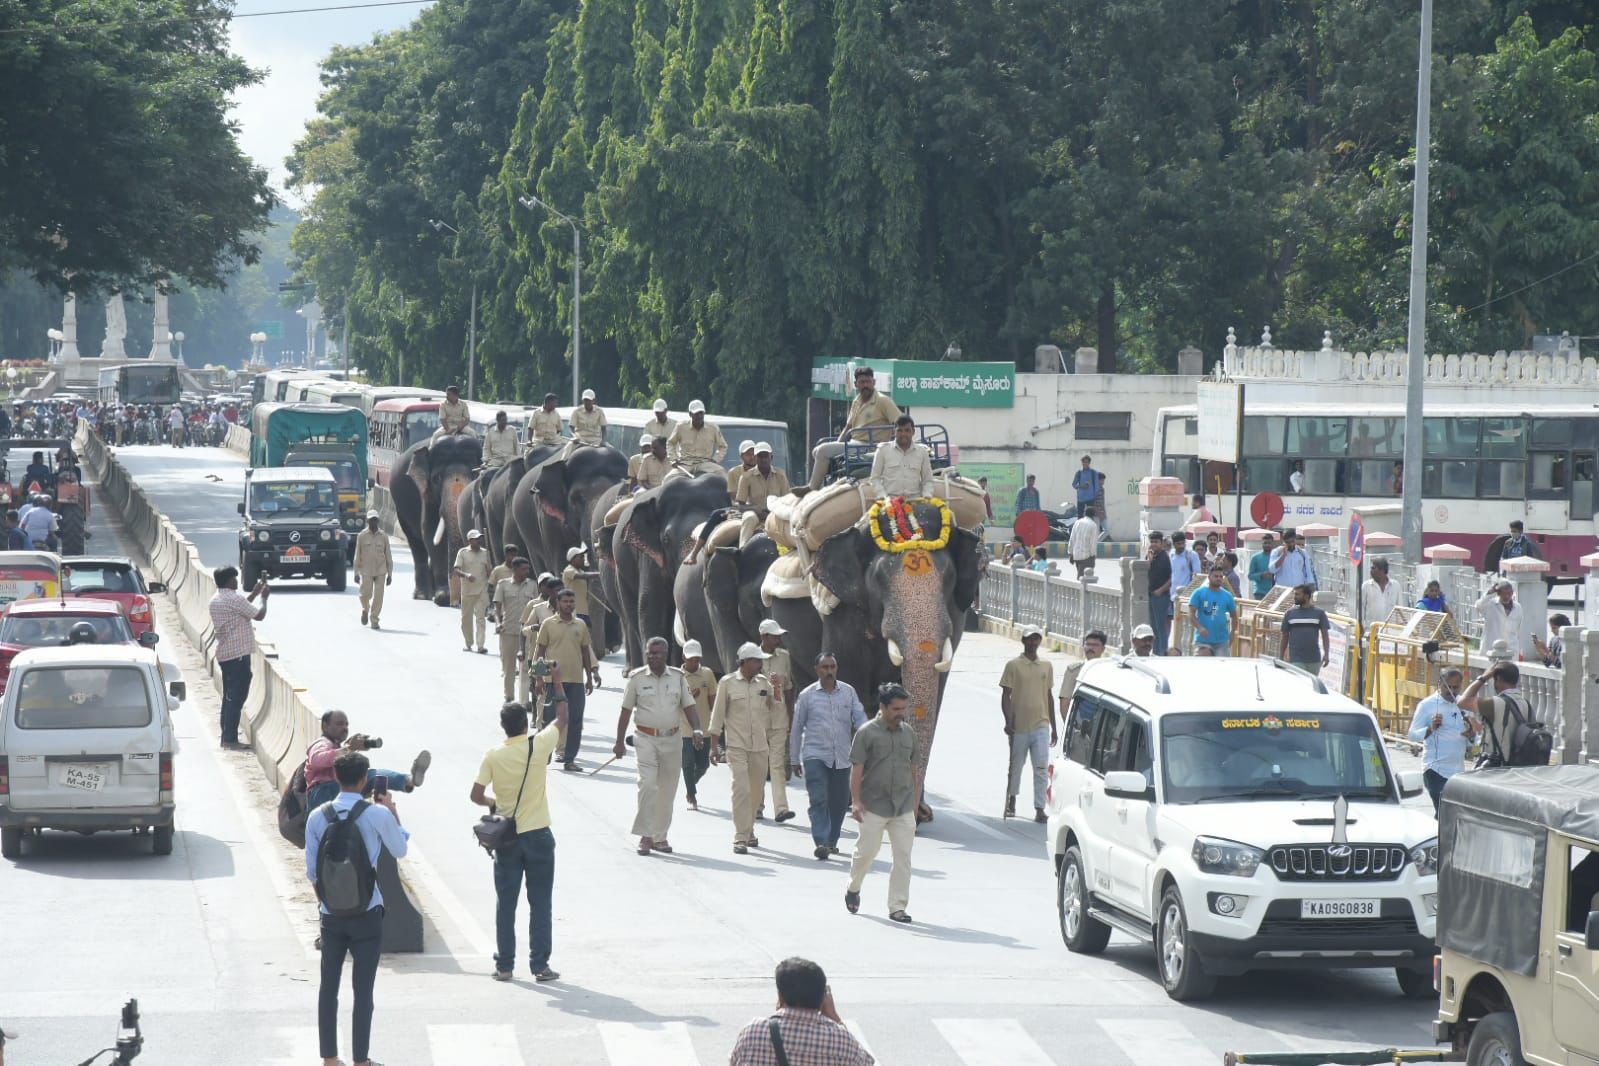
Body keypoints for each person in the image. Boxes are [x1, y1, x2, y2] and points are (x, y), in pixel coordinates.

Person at [305, 750, 409, 1066]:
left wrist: (326, 903)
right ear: (364, 779)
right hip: (367, 911)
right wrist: (391, 811)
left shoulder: (317, 816)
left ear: (336, 777)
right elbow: (400, 849)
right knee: (363, 990)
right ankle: (361, 1060)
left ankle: (329, 1058)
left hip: (330, 916)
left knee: (328, 987)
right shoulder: (375, 814)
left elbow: (312, 871)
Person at [470, 700, 567, 984]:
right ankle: (540, 965)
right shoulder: (538, 745)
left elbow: (476, 795)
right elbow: (563, 716)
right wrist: (557, 682)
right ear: (525, 725)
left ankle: (505, 966)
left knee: (506, 903)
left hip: (507, 839)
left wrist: (494, 803)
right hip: (538, 835)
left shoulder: (493, 755)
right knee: (540, 903)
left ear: (503, 727)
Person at [615, 636, 702, 855]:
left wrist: (697, 730)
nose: (653, 657)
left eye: (657, 653)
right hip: (645, 738)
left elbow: (689, 706)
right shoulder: (636, 678)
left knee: (667, 789)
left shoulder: (678, 678)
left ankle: (659, 837)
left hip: (673, 739)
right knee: (647, 785)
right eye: (649, 653)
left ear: (666, 654)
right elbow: (625, 711)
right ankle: (645, 836)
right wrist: (619, 742)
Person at [845, 683, 918, 923]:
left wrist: (915, 804)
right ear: (883, 707)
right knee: (867, 853)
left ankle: (897, 907)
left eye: (904, 708)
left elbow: (914, 769)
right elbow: (857, 770)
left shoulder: (909, 733)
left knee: (903, 858)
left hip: (903, 806)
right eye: (896, 708)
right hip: (873, 805)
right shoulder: (867, 733)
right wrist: (856, 802)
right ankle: (853, 887)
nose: (901, 713)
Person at [789, 652, 866, 861]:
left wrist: (868, 737)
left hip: (842, 756)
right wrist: (794, 758)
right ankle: (821, 841)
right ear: (817, 670)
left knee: (840, 802)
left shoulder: (848, 692)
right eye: (825, 667)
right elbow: (796, 728)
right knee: (818, 798)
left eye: (832, 667)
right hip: (815, 754)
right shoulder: (807, 695)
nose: (829, 671)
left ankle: (831, 841)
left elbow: (860, 719)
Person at [728, 957, 875, 1066]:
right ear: (823, 999)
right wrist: (835, 1018)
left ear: (780, 996)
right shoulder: (841, 1040)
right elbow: (867, 1063)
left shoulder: (753, 1031)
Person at [709, 643, 780, 854]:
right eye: (757, 660)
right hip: (736, 746)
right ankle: (740, 837)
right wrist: (714, 746)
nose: (761, 664)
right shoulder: (727, 683)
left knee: (756, 794)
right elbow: (717, 715)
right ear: (745, 662)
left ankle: (749, 831)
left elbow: (775, 710)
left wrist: (776, 690)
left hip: (760, 746)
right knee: (741, 789)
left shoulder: (764, 683)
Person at [303, 710, 430, 809]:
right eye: (339, 724)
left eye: (346, 724)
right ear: (325, 726)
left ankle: (409, 780)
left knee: (372, 776)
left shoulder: (337, 747)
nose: (344, 728)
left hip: (338, 790)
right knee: (370, 776)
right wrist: (349, 749)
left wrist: (351, 748)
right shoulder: (322, 742)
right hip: (323, 792)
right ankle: (408, 780)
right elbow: (316, 759)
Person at [536, 588, 599, 770]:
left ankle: (569, 759)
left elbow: (586, 651)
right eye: (566, 601)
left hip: (576, 681)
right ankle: (545, 754)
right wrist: (539, 678)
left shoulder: (580, 625)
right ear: (557, 603)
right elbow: (540, 651)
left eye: (572, 602)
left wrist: (589, 676)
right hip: (552, 680)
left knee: (576, 720)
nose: (569, 605)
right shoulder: (548, 624)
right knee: (549, 719)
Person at [808, 365, 900, 490]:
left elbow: (900, 421)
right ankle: (826, 485)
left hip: (869, 447)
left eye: (868, 381)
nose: (865, 385)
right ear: (856, 384)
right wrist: (837, 446)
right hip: (853, 444)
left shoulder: (883, 401)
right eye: (862, 382)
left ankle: (811, 489)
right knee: (817, 451)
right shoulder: (856, 401)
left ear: (874, 382)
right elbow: (848, 427)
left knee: (823, 451)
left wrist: (896, 445)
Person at [1000, 625, 1055, 822]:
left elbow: (1049, 696)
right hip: (1019, 725)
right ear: (1023, 641)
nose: (1033, 643)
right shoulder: (1013, 665)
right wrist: (1008, 721)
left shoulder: (1046, 666)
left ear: (1040, 641)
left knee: (1040, 767)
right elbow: (1006, 695)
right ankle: (1011, 799)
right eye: (1029, 639)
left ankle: (1039, 808)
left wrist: (1054, 728)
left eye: (1036, 639)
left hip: (1041, 724)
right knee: (1016, 765)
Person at [209, 566, 268, 748]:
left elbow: (241, 609)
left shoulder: (217, 599)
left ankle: (226, 735)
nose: (237, 581)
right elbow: (258, 615)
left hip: (226, 655)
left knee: (228, 697)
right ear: (228, 581)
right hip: (238, 656)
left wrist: (255, 594)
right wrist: (264, 600)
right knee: (236, 698)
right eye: (235, 578)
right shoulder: (233, 598)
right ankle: (230, 739)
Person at [1407, 668, 1477, 811]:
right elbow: (1412, 734)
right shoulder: (1427, 705)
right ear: (1440, 684)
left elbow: (1474, 742)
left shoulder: (1464, 705)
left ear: (1461, 686)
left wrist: (1471, 736)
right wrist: (1430, 728)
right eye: (1447, 687)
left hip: (1458, 771)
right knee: (1444, 811)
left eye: (1455, 687)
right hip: (1435, 769)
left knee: (1453, 814)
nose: (1451, 691)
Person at [755, 618, 796, 823]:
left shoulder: (784, 657)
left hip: (779, 719)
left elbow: (788, 689)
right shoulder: (750, 657)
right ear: (764, 637)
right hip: (758, 720)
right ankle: (757, 806)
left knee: (777, 764)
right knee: (759, 764)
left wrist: (790, 717)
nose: (779, 639)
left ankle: (781, 808)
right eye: (774, 636)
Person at [1458, 661, 1531, 768]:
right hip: (1517, 767)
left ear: (1498, 679)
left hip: (1496, 766)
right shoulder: (1526, 704)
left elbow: (1462, 702)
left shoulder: (1493, 703)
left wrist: (1483, 677)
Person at [491, 558, 538, 703]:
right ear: (515, 569)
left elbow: (537, 607)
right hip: (508, 631)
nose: (527, 572)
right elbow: (497, 608)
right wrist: (497, 624)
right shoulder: (503, 585)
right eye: (524, 569)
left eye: (527, 569)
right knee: (509, 667)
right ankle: (509, 696)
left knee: (525, 668)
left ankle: (524, 700)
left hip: (526, 632)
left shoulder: (532, 585)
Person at [679, 640, 718, 811]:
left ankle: (690, 782)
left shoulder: (707, 674)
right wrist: (689, 697)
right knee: (687, 762)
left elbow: (713, 701)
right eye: (690, 659)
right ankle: (691, 794)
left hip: (704, 727)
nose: (694, 662)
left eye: (697, 659)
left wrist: (716, 723)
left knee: (703, 765)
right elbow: (673, 703)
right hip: (684, 728)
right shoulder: (677, 676)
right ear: (684, 658)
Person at [868, 415, 934, 499]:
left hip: (914, 502)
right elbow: (875, 478)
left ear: (913, 432)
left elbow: (928, 480)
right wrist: (883, 497)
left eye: (907, 430)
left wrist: (926, 497)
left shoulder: (922, 452)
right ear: (894, 431)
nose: (903, 434)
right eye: (899, 430)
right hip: (890, 503)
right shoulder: (883, 450)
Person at [351, 511, 392, 630]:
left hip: (381, 570)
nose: (373, 522)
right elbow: (357, 555)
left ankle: (374, 619)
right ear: (367, 521)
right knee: (364, 595)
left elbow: (388, 555)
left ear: (378, 521)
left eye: (375, 520)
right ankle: (365, 609)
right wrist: (356, 572)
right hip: (366, 571)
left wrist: (390, 574)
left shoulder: (383, 536)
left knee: (379, 596)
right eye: (370, 520)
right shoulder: (362, 536)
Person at [454, 529, 492, 653]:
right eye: (476, 539)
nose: (478, 541)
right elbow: (456, 570)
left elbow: (489, 571)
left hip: (481, 590)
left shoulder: (485, 553)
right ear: (470, 541)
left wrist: (489, 572)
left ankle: (480, 645)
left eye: (480, 538)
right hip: (467, 591)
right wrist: (466, 575)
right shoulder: (463, 553)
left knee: (481, 618)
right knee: (466, 619)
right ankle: (469, 643)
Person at [665, 399, 727, 475]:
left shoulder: (713, 428)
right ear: (690, 414)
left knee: (722, 474)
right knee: (667, 479)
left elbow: (723, 446)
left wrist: (715, 460)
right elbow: (670, 443)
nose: (699, 416)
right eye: (696, 413)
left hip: (706, 464)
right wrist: (673, 459)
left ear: (704, 413)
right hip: (685, 464)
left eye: (701, 413)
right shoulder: (680, 426)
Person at [1279, 584, 1330, 674]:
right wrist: (1281, 657)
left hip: (1314, 659)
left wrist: (1326, 654)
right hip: (1296, 659)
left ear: (1306, 596)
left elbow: (1325, 635)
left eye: (1297, 594)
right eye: (1294, 594)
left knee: (1311, 686)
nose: (1295, 597)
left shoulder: (1319, 613)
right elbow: (1285, 636)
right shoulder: (1290, 614)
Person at [1189, 566, 1237, 656]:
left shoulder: (1227, 595)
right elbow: (1191, 614)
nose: (1218, 579)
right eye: (1215, 576)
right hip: (1203, 640)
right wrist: (1200, 628)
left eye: (1220, 576)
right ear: (1209, 577)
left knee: (1220, 667)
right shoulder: (1199, 593)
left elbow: (1234, 616)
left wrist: (1232, 632)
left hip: (1222, 640)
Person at [1057, 630, 1106, 714]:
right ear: (1083, 646)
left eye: (1095, 645)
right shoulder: (1073, 671)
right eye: (1088, 644)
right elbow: (1065, 703)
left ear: (1103, 649)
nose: (1090, 648)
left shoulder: (1109, 671)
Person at [735, 442, 789, 519]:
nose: (763, 460)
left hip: (776, 514)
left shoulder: (781, 475)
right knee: (749, 518)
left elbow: (787, 500)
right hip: (755, 515)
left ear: (771, 457)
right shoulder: (746, 477)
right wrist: (753, 508)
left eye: (766, 456)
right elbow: (740, 506)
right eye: (760, 456)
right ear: (755, 458)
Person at [1475, 578, 1526, 656]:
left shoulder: (1518, 607)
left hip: (1511, 650)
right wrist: (1489, 593)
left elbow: (1519, 629)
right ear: (1498, 593)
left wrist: (1520, 650)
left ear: (1512, 593)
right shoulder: (1490, 605)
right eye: (1504, 593)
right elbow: (1478, 606)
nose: (1506, 596)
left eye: (1509, 593)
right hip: (1491, 650)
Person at [562, 545, 599, 638]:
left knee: (585, 636)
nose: (583, 559)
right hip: (573, 611)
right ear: (573, 558)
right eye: (581, 557)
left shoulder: (580, 570)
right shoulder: (569, 570)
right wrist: (599, 574)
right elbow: (583, 576)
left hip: (583, 610)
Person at [1146, 532, 1173, 656]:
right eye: (1152, 542)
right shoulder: (1152, 556)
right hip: (1151, 595)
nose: (1154, 544)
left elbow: (1171, 578)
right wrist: (1149, 560)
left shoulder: (1165, 557)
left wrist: (1161, 590)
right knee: (1153, 627)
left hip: (1161, 596)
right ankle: (1156, 652)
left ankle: (1163, 653)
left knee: (1161, 626)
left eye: (1156, 542)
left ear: (1161, 543)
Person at [564, 389, 607, 456]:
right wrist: (574, 436)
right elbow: (571, 426)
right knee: (568, 447)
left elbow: (603, 427)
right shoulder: (577, 411)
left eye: (589, 400)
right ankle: (562, 463)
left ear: (593, 401)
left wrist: (603, 441)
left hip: (595, 439)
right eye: (585, 400)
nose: (587, 402)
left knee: (611, 451)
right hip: (581, 438)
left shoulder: (599, 411)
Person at [1360, 557, 1401, 625]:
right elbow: (1362, 608)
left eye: (1373, 568)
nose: (1371, 571)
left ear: (1382, 570)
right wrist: (1362, 626)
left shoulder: (1395, 586)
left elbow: (1400, 608)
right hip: (1372, 630)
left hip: (1390, 630)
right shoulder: (1366, 586)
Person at [1067, 506, 1098, 577]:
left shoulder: (1077, 522)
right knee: (1084, 580)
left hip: (1076, 556)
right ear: (1093, 516)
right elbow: (1093, 543)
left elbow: (1072, 539)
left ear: (1084, 514)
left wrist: (1070, 553)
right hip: (1086, 557)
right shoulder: (1093, 525)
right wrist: (1093, 556)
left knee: (1081, 577)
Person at [1248, 532, 1277, 598]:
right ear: (1262, 543)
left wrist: (1273, 576)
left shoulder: (1277, 557)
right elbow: (1250, 576)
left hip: (1274, 593)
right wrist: (1262, 575)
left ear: (1272, 544)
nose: (1267, 545)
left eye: (1269, 543)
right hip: (1259, 593)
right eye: (1265, 543)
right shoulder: (1255, 557)